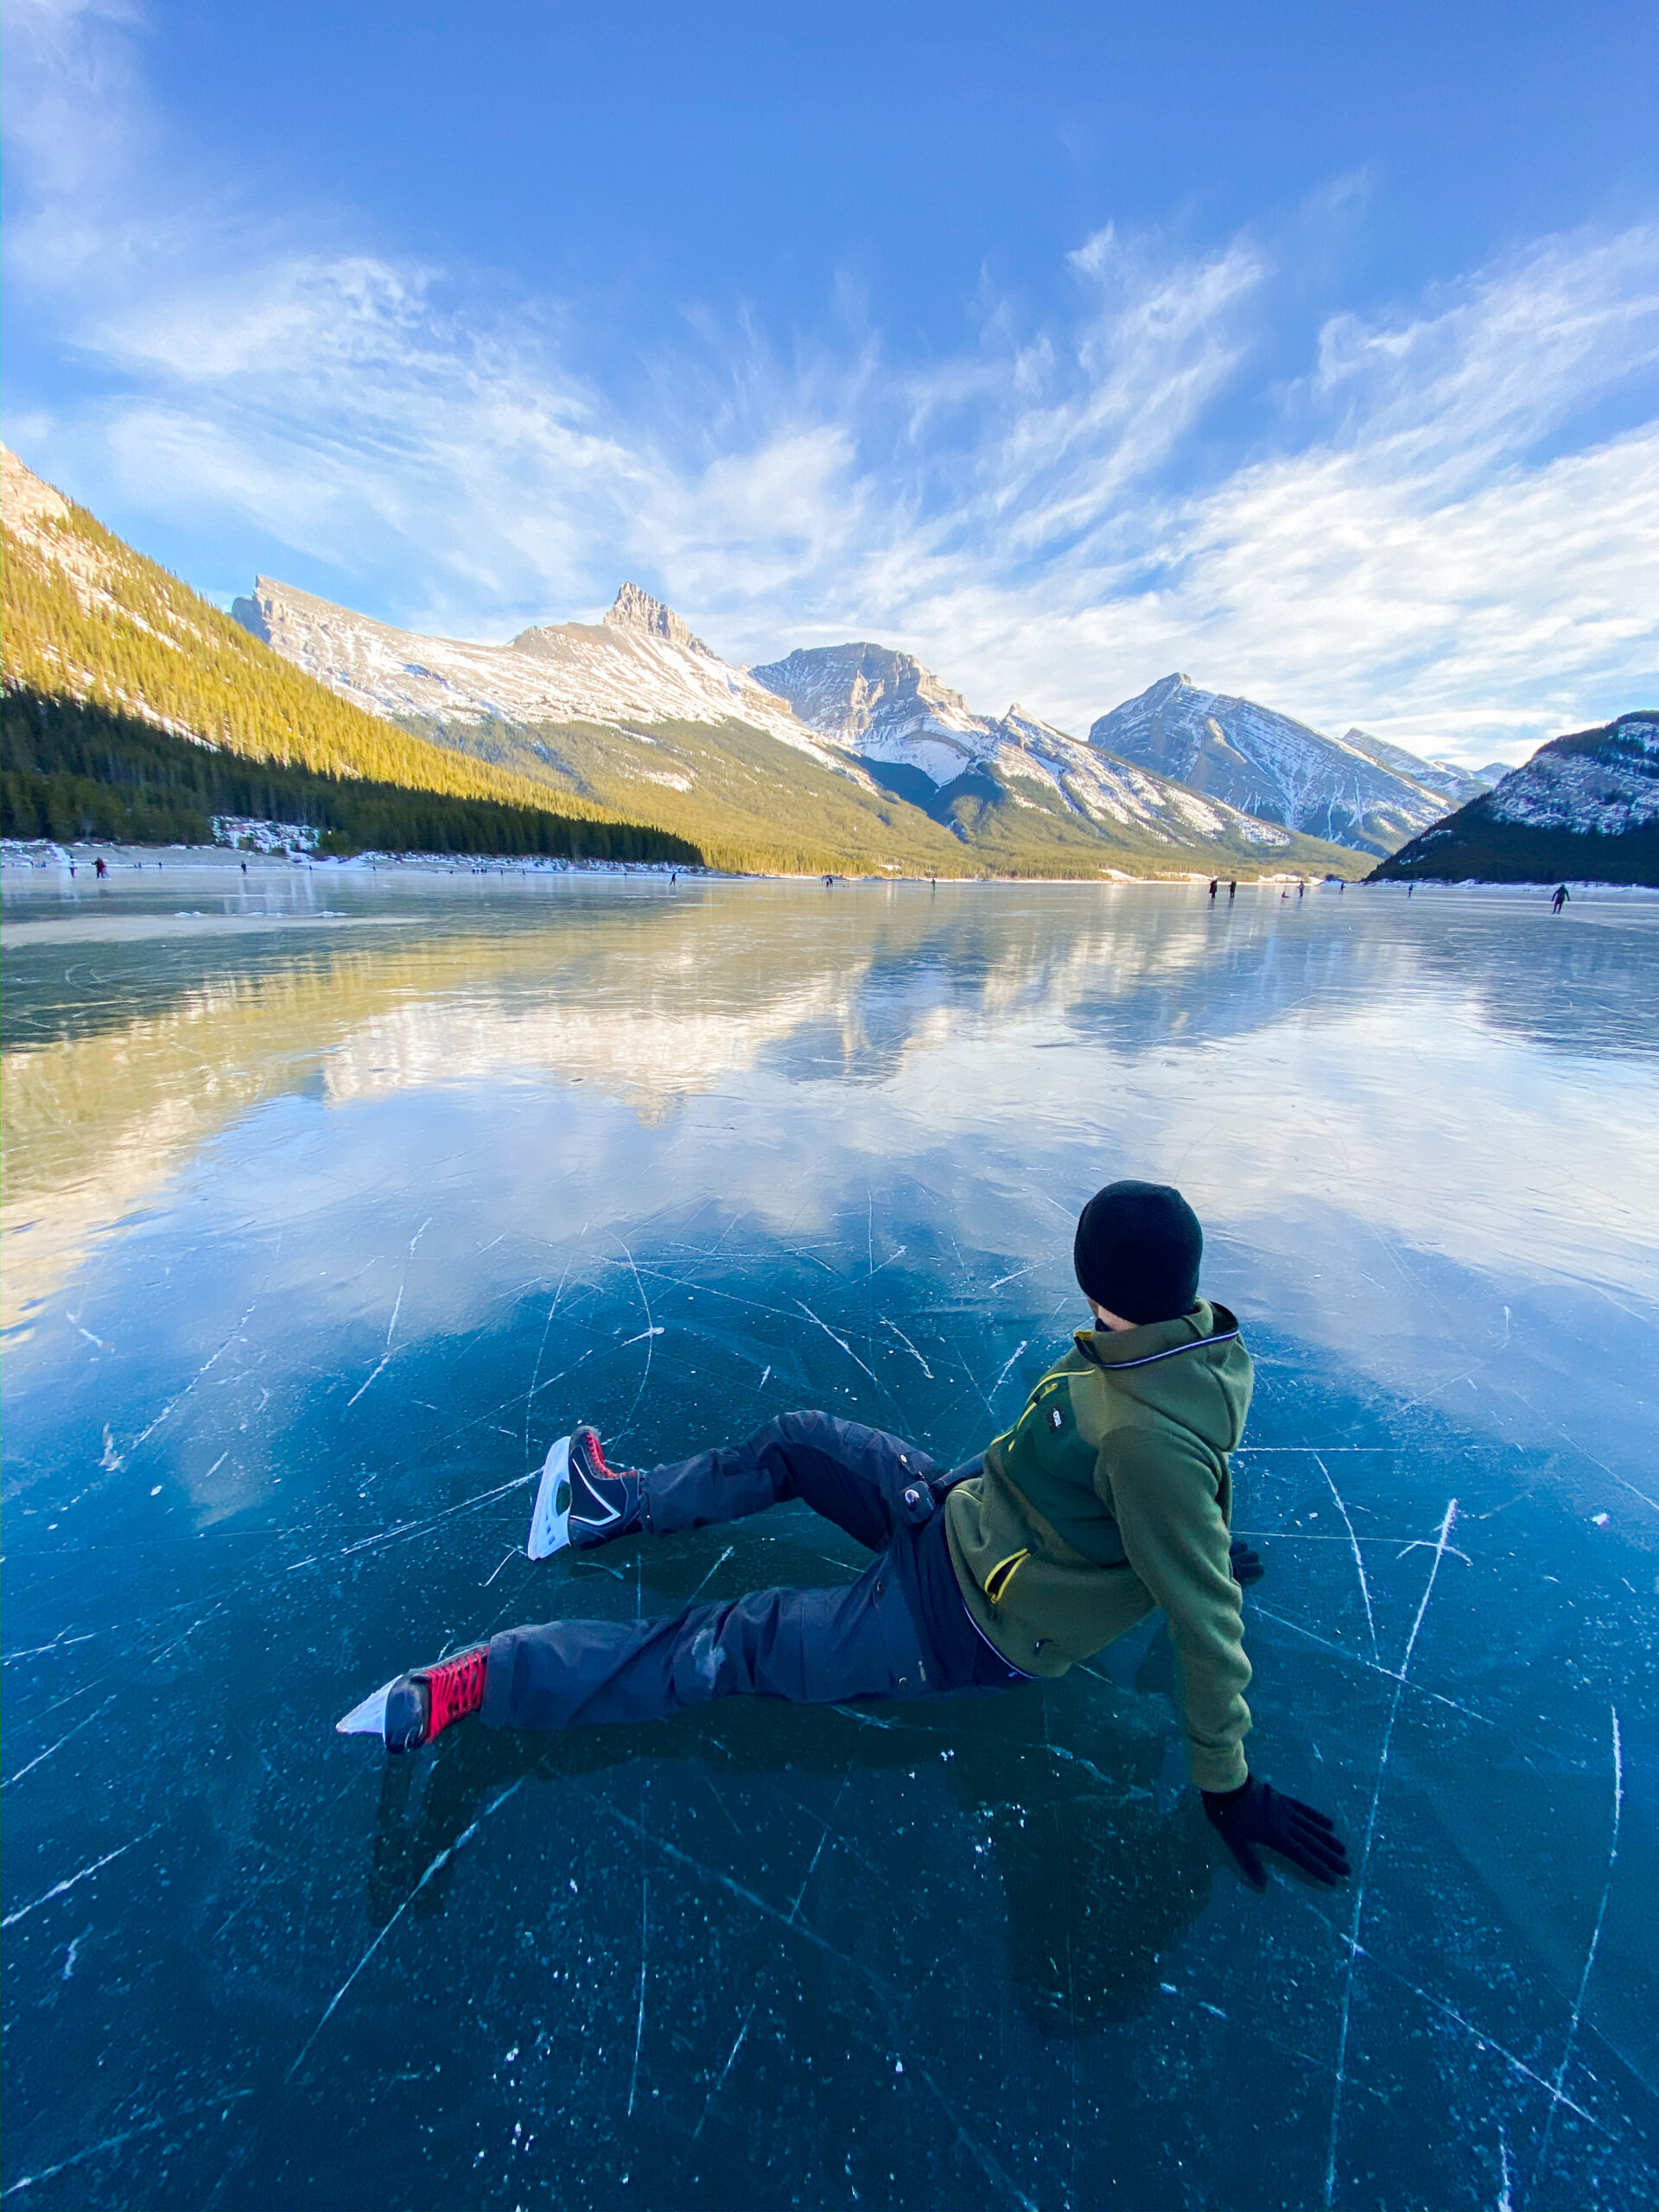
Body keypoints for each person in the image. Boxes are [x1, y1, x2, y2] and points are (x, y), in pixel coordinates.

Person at [340, 1182, 1351, 1893]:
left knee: (724, 1645)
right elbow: (1171, 1498)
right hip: (951, 1513)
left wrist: (1229, 1786)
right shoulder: (1173, 1347)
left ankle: (482, 1681)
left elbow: (1208, 1622)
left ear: (1096, 1277)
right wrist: (1196, 1543)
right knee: (798, 1440)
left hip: (959, 1623)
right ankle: (611, 1504)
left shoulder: (1147, 1437)